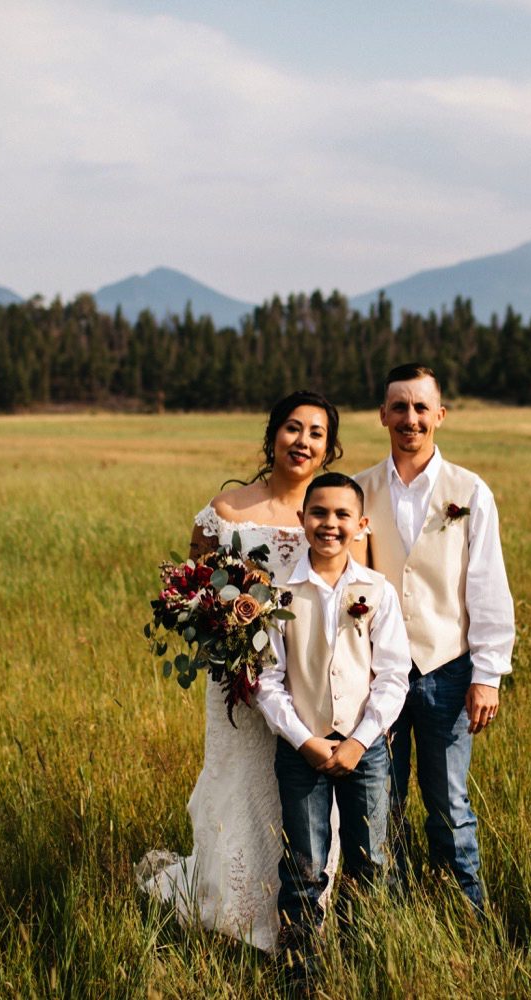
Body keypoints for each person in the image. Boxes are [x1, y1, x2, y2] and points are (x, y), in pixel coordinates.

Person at [137, 390, 343, 952]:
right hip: (235, 681)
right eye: (293, 428)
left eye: (316, 433)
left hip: (309, 682)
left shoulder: (332, 517)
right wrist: (219, 628)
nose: (302, 441)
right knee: (239, 787)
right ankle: (238, 914)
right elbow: (193, 587)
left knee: (299, 793)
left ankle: (305, 908)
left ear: (329, 448)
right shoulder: (226, 512)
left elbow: (352, 597)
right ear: (272, 434)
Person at [354, 363, 515, 911]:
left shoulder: (469, 490)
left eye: (421, 408)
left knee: (449, 801)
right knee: (382, 800)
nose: (410, 418)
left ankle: (467, 914)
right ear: (382, 416)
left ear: (440, 416)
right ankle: (395, 915)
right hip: (379, 673)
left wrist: (487, 675)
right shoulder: (359, 490)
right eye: (399, 407)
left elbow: (487, 584)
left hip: (448, 669)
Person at [254, 472, 410, 989]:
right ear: (302, 520)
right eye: (319, 513)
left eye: (343, 515)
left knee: (371, 859)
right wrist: (304, 739)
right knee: (304, 863)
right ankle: (300, 972)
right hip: (303, 748)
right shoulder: (279, 593)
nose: (330, 524)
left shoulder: (377, 591)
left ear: (362, 525)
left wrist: (362, 739)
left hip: (365, 749)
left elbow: (392, 675)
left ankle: (365, 960)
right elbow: (267, 680)